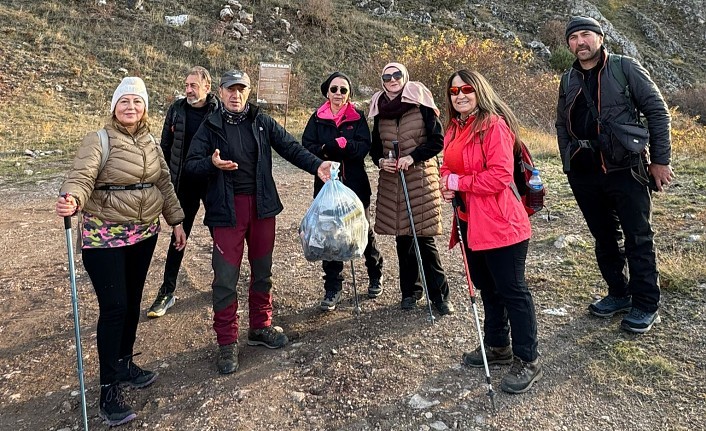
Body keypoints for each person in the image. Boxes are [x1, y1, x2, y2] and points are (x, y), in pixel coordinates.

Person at [55, 77, 187, 426]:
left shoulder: (151, 144)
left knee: (132, 303)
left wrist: (176, 221)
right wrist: (73, 199)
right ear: (114, 106)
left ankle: (125, 363)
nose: (131, 107)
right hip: (105, 236)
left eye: (137, 102)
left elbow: (164, 184)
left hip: (144, 234)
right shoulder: (98, 140)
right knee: (114, 308)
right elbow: (81, 177)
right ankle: (109, 388)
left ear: (145, 108)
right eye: (125, 101)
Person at [184, 69, 333, 375]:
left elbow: (290, 147)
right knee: (225, 278)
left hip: (262, 207)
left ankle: (259, 327)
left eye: (241, 89)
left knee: (262, 270)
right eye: (230, 89)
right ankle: (226, 343)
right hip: (227, 212)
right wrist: (212, 165)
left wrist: (317, 166)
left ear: (248, 91)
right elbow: (190, 166)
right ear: (221, 93)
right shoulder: (210, 125)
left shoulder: (261, 121)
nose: (235, 95)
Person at [557, 16, 673, 333]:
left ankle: (646, 304)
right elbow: (560, 123)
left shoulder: (625, 67)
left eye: (586, 35)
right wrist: (567, 159)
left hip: (626, 168)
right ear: (568, 44)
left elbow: (657, 111)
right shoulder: (567, 78)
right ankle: (618, 293)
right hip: (584, 172)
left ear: (600, 38)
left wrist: (660, 161)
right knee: (604, 237)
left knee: (638, 237)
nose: (580, 42)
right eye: (574, 37)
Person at [439, 69, 542, 394]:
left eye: (466, 89)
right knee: (487, 287)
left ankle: (528, 359)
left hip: (502, 223)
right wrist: (446, 180)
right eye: (454, 91)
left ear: (479, 91)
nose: (460, 96)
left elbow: (499, 176)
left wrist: (459, 182)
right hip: (470, 221)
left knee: (512, 290)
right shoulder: (455, 127)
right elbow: (447, 163)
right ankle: (498, 346)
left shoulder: (494, 126)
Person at [368, 62, 453, 316]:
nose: (392, 79)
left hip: (420, 179)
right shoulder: (379, 108)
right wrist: (382, 161)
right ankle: (410, 292)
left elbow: (438, 141)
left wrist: (412, 157)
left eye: (397, 75)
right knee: (402, 238)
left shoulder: (421, 101)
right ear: (382, 80)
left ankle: (440, 296)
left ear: (404, 77)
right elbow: (375, 149)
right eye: (387, 76)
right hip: (393, 181)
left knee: (424, 238)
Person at [302, 71, 384, 311]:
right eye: (334, 89)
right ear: (327, 91)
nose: (339, 93)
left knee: (362, 228)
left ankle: (374, 272)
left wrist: (345, 145)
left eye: (343, 90)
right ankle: (333, 288)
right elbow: (308, 147)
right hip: (327, 186)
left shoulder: (356, 117)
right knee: (330, 234)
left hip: (355, 184)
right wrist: (328, 148)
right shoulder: (317, 118)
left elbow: (363, 147)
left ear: (349, 94)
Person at [147, 66, 220, 318]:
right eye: (186, 85)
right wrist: (163, 182)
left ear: (207, 87)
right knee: (178, 238)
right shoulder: (176, 110)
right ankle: (167, 291)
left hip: (212, 182)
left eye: (194, 86)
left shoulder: (218, 111)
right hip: (184, 183)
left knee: (220, 236)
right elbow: (165, 149)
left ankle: (222, 285)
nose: (188, 90)